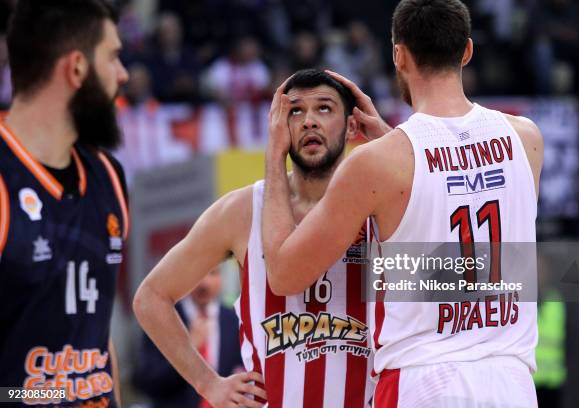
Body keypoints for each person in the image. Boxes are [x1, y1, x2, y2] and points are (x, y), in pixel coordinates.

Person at [262, 1, 544, 407]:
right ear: (466, 51)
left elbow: (285, 274)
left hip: (423, 379)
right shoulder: (526, 138)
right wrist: (391, 142)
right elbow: (462, 208)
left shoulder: (379, 164)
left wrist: (274, 157)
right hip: (511, 380)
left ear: (399, 55)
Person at [133, 69, 390, 408]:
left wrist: (390, 140)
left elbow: (465, 277)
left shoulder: (382, 207)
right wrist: (208, 384)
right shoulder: (242, 210)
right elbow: (150, 297)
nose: (309, 121)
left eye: (324, 108)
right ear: (278, 126)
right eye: (295, 111)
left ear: (353, 126)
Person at [0, 0, 129, 406]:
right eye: (112, 57)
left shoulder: (108, 175)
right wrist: (51, 394)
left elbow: (98, 341)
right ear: (76, 68)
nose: (123, 74)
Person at [134, 267, 244, 408]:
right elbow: (147, 380)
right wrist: (187, 349)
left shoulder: (235, 320)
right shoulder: (161, 318)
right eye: (198, 274)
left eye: (212, 273)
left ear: (221, 278)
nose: (205, 283)